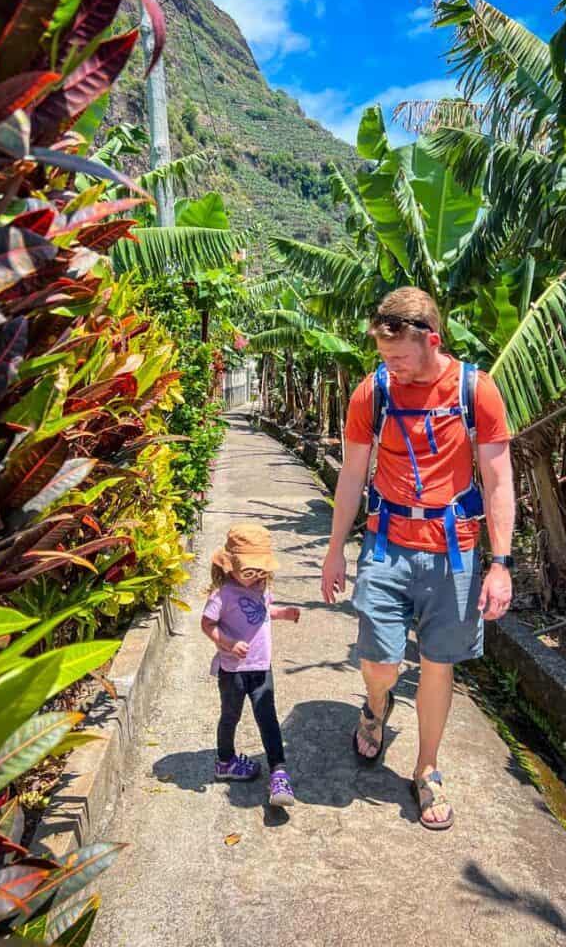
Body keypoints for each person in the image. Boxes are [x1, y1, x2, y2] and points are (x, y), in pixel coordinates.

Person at [321, 287, 514, 830]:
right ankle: (375, 704)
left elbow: (499, 480)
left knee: (437, 662)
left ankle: (426, 770)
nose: (392, 367)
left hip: (454, 553)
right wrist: (335, 549)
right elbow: (353, 474)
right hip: (385, 545)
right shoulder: (373, 392)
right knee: (381, 660)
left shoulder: (476, 390)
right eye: (384, 357)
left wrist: (501, 563)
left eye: (400, 356)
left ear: (431, 339)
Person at [202, 523, 300, 807]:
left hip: (261, 667)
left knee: (267, 717)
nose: (257, 577)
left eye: (261, 571)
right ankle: (225, 760)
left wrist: (283, 613)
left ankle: (279, 772)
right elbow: (207, 624)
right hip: (233, 670)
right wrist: (228, 644)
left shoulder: (260, 588)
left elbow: (264, 610)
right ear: (231, 566)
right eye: (249, 571)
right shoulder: (222, 594)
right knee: (230, 716)